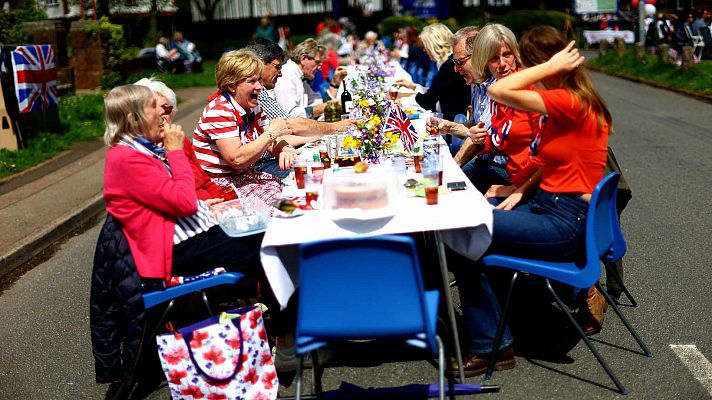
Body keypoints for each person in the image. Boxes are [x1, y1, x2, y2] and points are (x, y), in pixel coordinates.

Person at [452, 25, 611, 376]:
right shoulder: (570, 100)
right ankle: (496, 336)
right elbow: (546, 161)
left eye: (523, 61)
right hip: (551, 207)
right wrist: (519, 191)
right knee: (471, 227)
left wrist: (549, 67)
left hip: (564, 220)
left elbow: (501, 89)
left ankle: (491, 345)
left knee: (463, 231)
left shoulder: (568, 101)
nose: (519, 69)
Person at [102, 84, 263, 282]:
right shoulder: (125, 158)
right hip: (177, 249)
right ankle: (286, 310)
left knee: (265, 235)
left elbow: (165, 197)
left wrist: (202, 205)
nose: (162, 113)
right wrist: (175, 153)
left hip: (196, 234)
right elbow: (184, 202)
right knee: (265, 253)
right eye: (154, 106)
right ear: (133, 119)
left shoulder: (143, 149)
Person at [430, 24, 538, 195]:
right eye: (494, 58)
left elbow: (542, 154)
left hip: (508, 172)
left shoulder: (513, 90)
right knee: (445, 185)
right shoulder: (486, 87)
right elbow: (484, 134)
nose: (501, 64)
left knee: (452, 188)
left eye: (460, 62)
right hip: (502, 167)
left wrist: (515, 190)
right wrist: (450, 127)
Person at [192, 50, 295, 209]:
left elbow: (270, 140)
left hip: (246, 177)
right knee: (279, 211)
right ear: (231, 85)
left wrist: (285, 149)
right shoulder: (219, 111)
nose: (259, 86)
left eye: (259, 79)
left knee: (295, 196)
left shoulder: (251, 106)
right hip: (221, 185)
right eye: (252, 81)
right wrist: (272, 133)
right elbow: (237, 159)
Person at [244, 39, 353, 178]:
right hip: (262, 165)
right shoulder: (283, 78)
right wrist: (334, 127)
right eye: (277, 67)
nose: (320, 66)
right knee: (321, 171)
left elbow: (276, 134)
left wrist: (335, 84)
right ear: (303, 58)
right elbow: (290, 122)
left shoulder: (298, 78)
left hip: (277, 154)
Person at [134, 77, 236, 202]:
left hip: (211, 207)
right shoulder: (141, 153)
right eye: (154, 110)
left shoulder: (181, 140)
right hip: (192, 212)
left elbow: (206, 182)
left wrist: (225, 203)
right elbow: (172, 198)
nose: (161, 115)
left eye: (167, 109)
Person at [394, 23, 471, 124]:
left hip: (454, 122)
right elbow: (435, 92)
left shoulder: (449, 66)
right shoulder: (443, 62)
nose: (424, 50)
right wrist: (414, 86)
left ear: (433, 44)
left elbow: (429, 100)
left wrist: (403, 101)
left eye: (425, 45)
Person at [272, 38, 329, 119]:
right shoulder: (286, 74)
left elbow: (318, 101)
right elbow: (290, 115)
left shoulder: (300, 76)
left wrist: (335, 83)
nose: (320, 68)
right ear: (303, 58)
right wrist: (323, 108)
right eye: (317, 62)